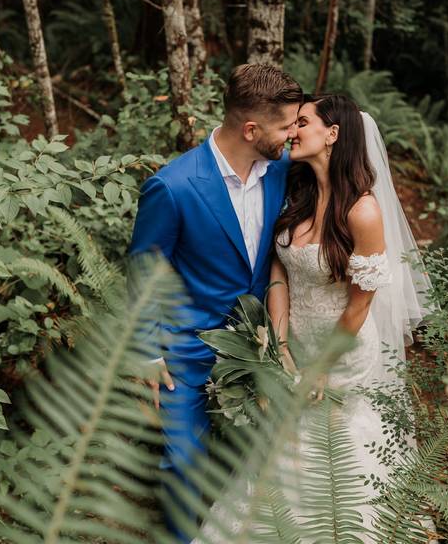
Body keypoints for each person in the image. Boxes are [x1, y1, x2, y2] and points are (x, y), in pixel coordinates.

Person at [194, 94, 435, 543]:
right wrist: (281, 346)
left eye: (302, 122)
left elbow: (360, 305)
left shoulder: (362, 212)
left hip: (339, 355)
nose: (292, 131)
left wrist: (320, 369)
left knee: (334, 461)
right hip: (292, 345)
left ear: (333, 134)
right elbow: (280, 269)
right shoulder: (298, 193)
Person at [128, 63, 302, 542]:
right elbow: (145, 270)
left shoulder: (284, 172)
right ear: (251, 129)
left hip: (261, 347)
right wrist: (146, 352)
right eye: (286, 125)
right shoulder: (174, 185)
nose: (293, 132)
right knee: (182, 462)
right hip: (186, 351)